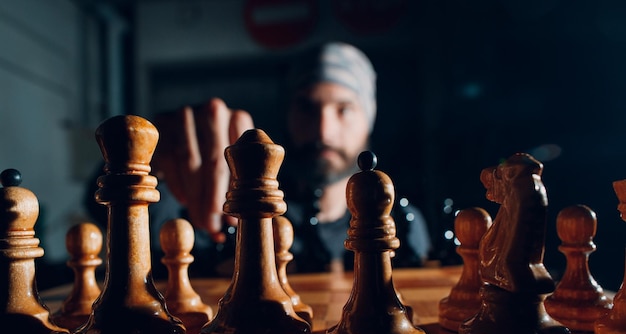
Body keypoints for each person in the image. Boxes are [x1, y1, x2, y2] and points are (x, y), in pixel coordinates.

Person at [85, 41, 431, 279]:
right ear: (288, 114)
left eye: (344, 109)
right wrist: (144, 157)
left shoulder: (404, 222)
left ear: (368, 120)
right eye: (307, 107)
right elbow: (102, 208)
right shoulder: (231, 216)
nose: (323, 129)